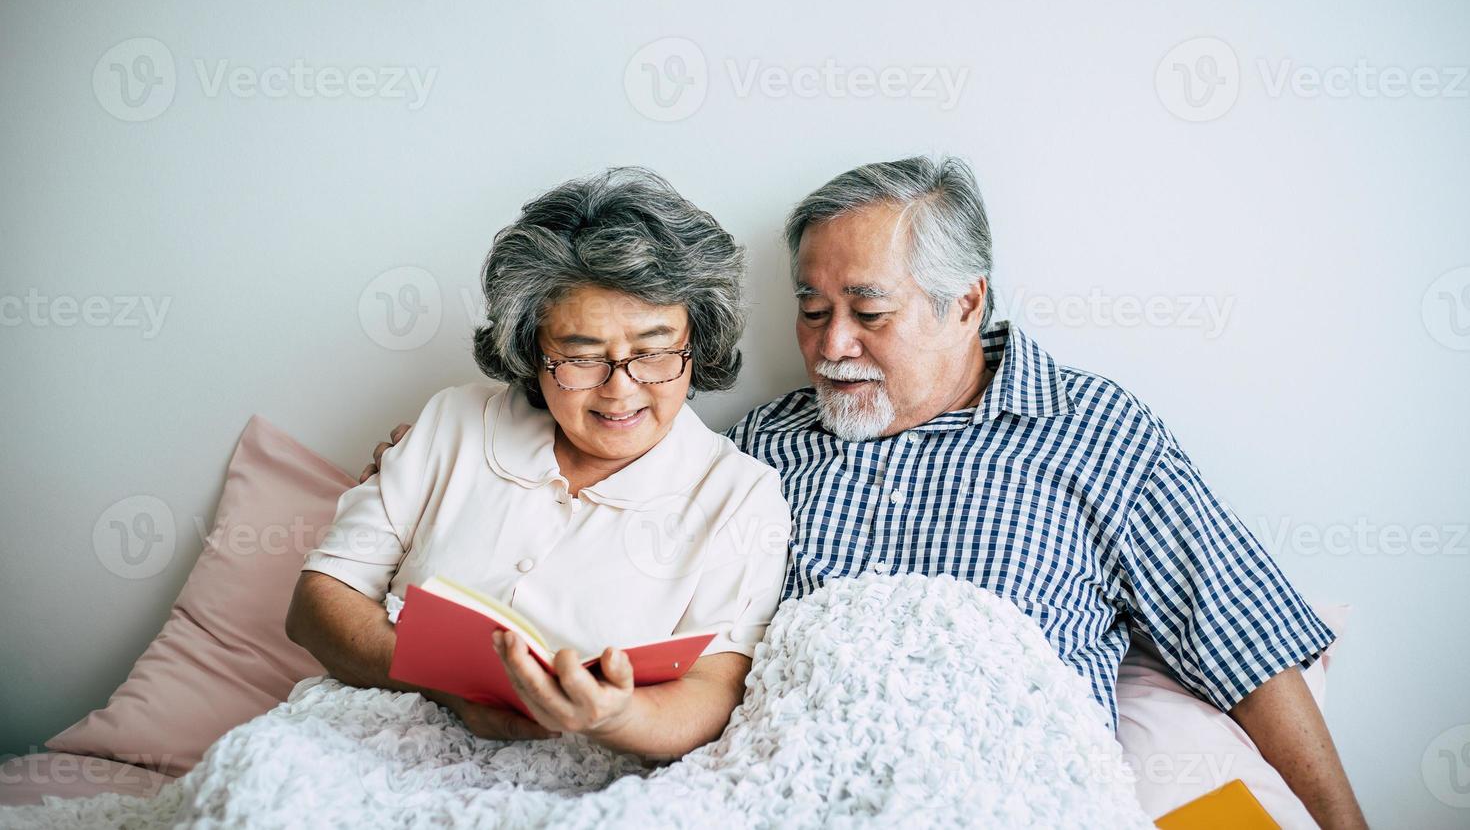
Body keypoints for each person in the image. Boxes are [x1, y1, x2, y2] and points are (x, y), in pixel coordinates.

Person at [360, 156, 1366, 828]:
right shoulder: (756, 444)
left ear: (965, 301)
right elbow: (598, 470)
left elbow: (1246, 640)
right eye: (810, 309)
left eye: (867, 311)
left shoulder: (1095, 433)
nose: (830, 344)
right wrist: (442, 452)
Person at [288, 168, 790, 761]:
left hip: (573, 771)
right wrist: (448, 685)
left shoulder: (740, 494)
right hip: (354, 737)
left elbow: (714, 690)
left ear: (697, 343)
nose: (619, 390)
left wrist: (614, 714)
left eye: (653, 353)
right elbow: (317, 605)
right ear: (532, 352)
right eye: (580, 358)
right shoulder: (456, 419)